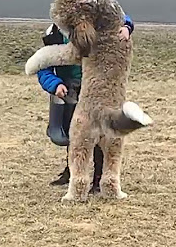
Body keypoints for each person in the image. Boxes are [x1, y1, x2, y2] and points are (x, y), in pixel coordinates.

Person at [37, 12, 134, 192]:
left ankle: (98, 178)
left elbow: (119, 15)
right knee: (73, 134)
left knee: (100, 132)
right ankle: (72, 173)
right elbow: (43, 66)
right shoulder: (53, 34)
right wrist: (55, 85)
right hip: (69, 90)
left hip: (97, 89)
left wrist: (127, 27)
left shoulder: (97, 26)